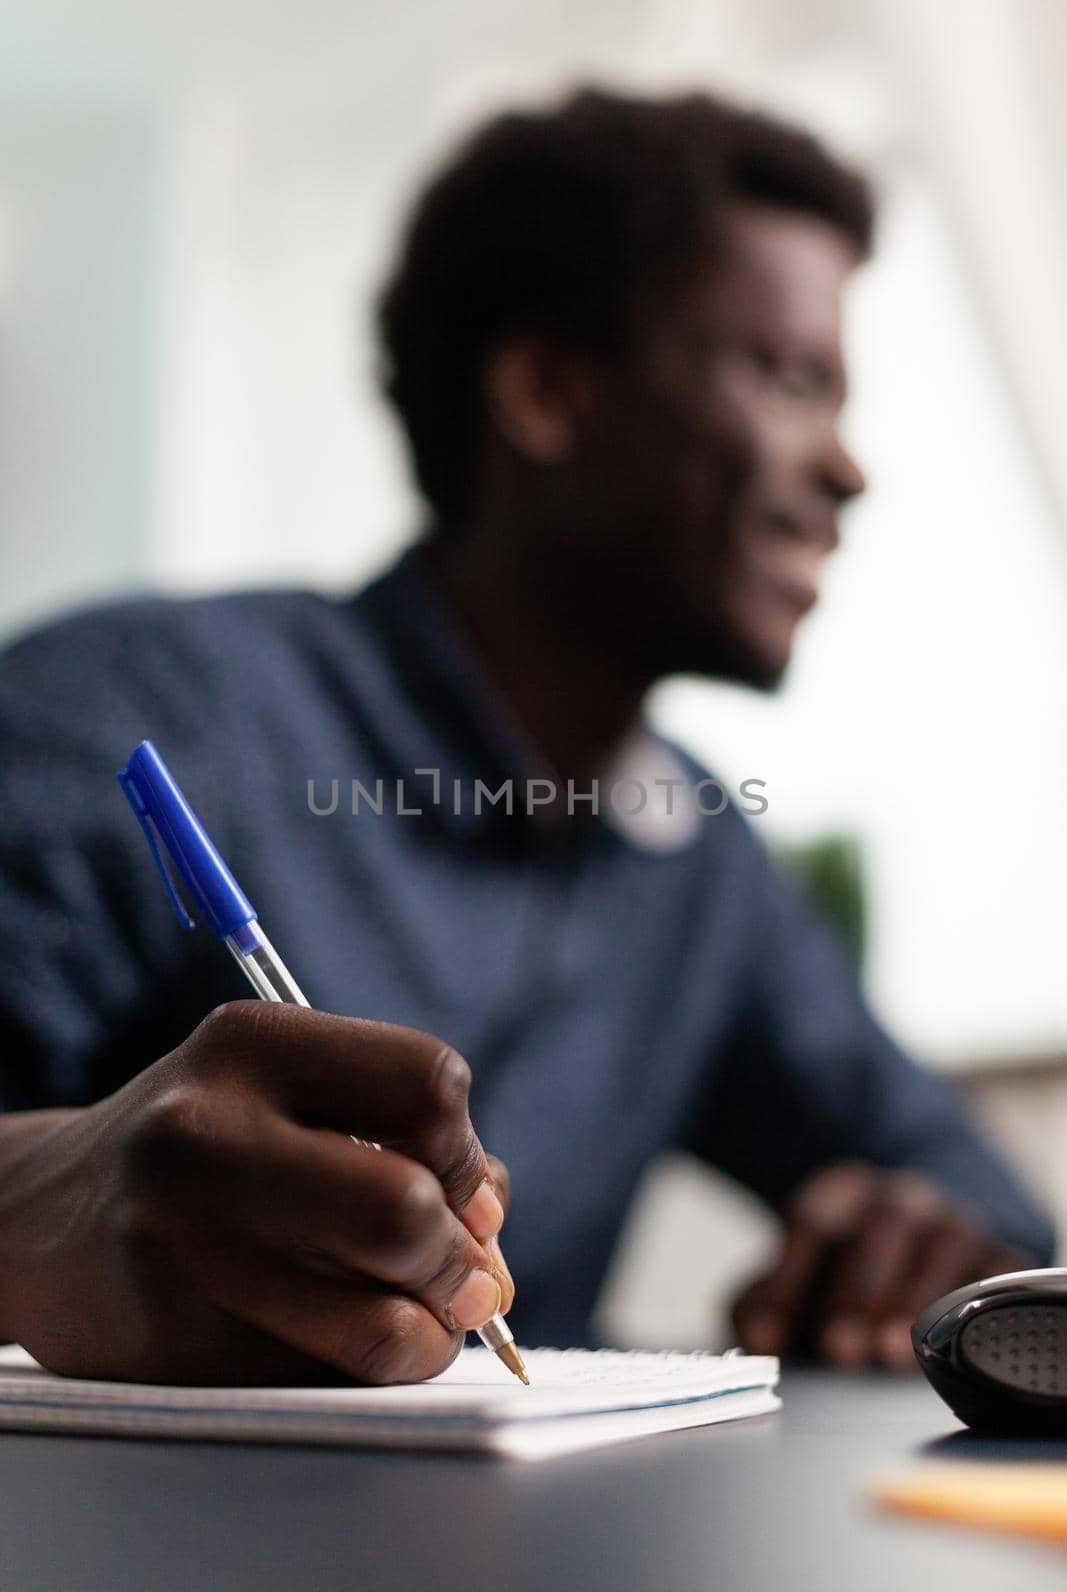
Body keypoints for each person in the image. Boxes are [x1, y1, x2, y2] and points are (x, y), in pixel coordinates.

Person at [0, 89, 1053, 1385]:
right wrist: (25, 1213)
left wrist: (932, 1243)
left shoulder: (696, 860)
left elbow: (989, 1207)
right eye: (792, 379)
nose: (849, 469)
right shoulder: (135, 711)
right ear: (548, 391)